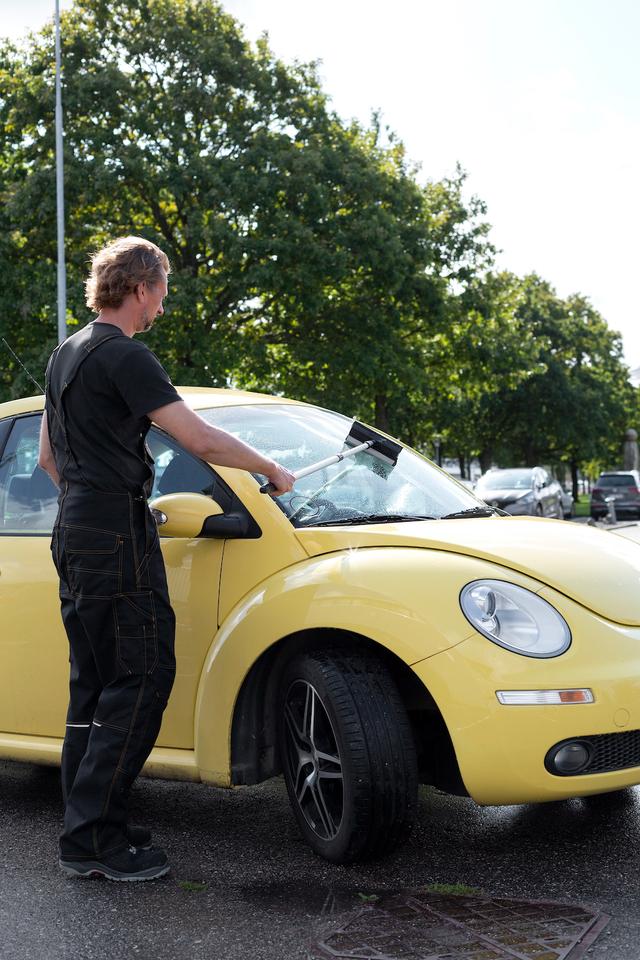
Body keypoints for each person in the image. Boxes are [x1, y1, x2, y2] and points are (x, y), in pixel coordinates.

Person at [38, 236, 295, 882]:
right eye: (161, 296)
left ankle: (91, 821)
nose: (160, 310)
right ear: (142, 287)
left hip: (74, 529)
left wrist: (91, 505)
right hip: (113, 533)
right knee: (144, 676)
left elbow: (49, 461)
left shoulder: (65, 356)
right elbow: (198, 437)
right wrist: (269, 467)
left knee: (95, 685)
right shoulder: (126, 355)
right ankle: (94, 837)